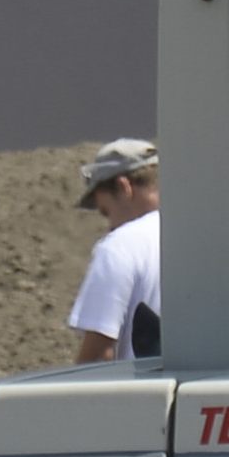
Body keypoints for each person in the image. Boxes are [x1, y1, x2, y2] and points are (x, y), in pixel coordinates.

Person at [69, 139, 161, 363]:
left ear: (123, 187)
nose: (109, 225)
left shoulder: (120, 246)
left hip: (146, 395)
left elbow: (98, 359)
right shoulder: (208, 234)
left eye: (106, 212)